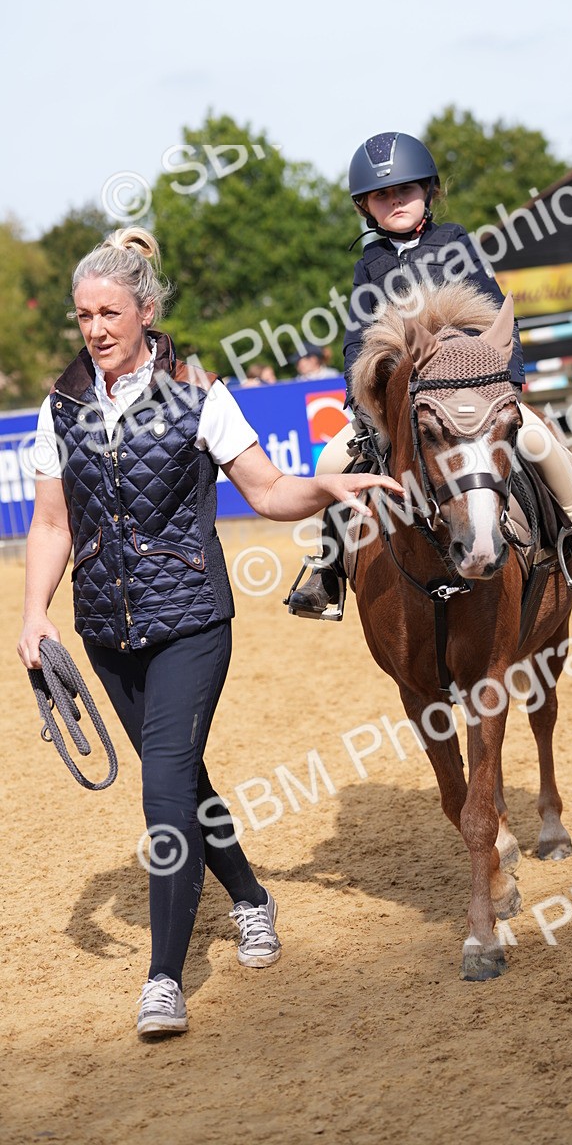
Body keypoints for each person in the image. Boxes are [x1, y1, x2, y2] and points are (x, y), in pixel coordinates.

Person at [17, 227, 402, 1039]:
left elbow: (266, 492)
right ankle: (253, 898)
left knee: (162, 788)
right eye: (83, 314)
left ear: (145, 311)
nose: (95, 328)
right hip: (104, 630)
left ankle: (163, 978)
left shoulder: (200, 393)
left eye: (109, 312)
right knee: (185, 782)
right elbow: (51, 523)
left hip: (192, 622)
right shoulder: (61, 404)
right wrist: (33, 614)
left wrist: (332, 485)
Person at [287, 131, 572, 618]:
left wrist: (509, 382)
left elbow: (497, 316)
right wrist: (362, 405)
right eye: (382, 195)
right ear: (365, 206)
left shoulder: (456, 242)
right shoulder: (368, 266)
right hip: (405, 404)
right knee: (332, 462)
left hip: (475, 391)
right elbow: (357, 342)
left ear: (430, 192)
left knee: (539, 439)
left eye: (406, 190)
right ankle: (329, 568)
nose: (395, 201)